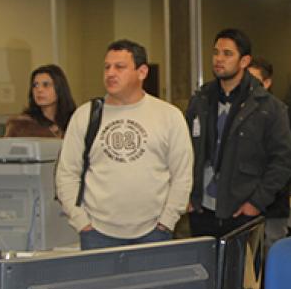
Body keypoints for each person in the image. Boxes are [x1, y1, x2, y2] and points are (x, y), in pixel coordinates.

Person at [56, 39, 193, 250]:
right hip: (97, 233)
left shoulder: (169, 116)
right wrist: (80, 221)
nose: (110, 73)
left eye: (119, 67)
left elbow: (182, 175)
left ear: (142, 72)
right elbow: (67, 172)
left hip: (154, 233)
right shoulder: (86, 115)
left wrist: (167, 221)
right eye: (107, 67)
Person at [186, 29, 291, 239]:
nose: (218, 59)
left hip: (242, 211)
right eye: (216, 52)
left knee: (242, 272)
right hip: (201, 211)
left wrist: (256, 203)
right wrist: (188, 196)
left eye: (227, 54)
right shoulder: (200, 101)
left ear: (244, 61)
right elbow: (184, 151)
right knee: (204, 271)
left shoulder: (268, 107)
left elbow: (283, 162)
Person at [247, 56, 291, 246]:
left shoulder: (284, 112)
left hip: (274, 204)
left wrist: (282, 185)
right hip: (242, 204)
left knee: (273, 255)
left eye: (255, 81)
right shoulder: (237, 114)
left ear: (267, 83)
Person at [4, 64, 76, 138]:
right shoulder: (21, 126)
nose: (39, 90)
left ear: (60, 88)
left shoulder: (76, 121)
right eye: (35, 85)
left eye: (46, 85)